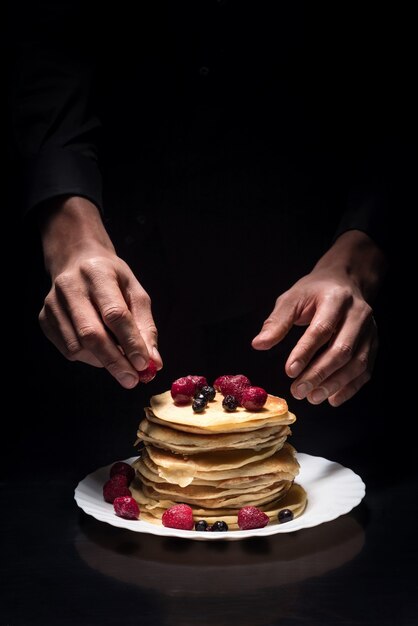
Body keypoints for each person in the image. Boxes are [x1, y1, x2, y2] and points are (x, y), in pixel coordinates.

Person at [10, 1, 390, 407]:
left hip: (313, 307)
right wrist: (69, 231)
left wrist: (359, 255)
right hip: (97, 311)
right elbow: (41, 40)